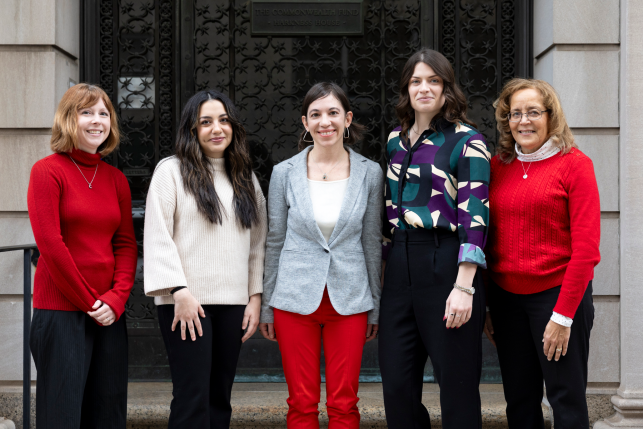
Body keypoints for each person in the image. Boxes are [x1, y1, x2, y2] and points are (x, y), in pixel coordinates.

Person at [258, 82, 383, 428]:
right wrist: (268, 303)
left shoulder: (370, 173)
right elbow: (275, 240)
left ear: (347, 118)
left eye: (332, 113)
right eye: (315, 114)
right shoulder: (284, 173)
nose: (324, 121)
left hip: (350, 300)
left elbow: (371, 242)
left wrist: (374, 304)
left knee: (344, 403)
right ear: (304, 122)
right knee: (301, 402)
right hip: (294, 301)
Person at [378, 48, 490, 429]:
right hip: (400, 264)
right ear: (406, 89)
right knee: (396, 385)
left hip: (447, 263)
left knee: (456, 386)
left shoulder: (467, 141)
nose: (424, 88)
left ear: (447, 88)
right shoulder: (396, 140)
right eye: (416, 81)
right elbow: (391, 207)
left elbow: (476, 216)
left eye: (433, 80)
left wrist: (465, 286)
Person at [143, 90, 267, 428]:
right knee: (191, 397)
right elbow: (158, 235)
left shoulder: (245, 177)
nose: (217, 128)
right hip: (185, 304)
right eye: (206, 122)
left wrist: (254, 298)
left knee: (219, 398)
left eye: (224, 120)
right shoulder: (171, 172)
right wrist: (179, 293)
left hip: (233, 304)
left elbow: (257, 242)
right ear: (192, 129)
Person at [484, 78, 600, 429]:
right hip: (507, 302)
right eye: (515, 113)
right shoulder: (496, 167)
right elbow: (488, 240)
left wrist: (563, 317)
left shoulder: (575, 165)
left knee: (565, 400)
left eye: (533, 112)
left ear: (551, 116)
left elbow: (586, 251)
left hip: (558, 298)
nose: (523, 121)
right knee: (519, 401)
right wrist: (489, 304)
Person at [27, 83, 138, 428]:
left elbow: (125, 245)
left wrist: (116, 299)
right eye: (86, 112)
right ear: (68, 119)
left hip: (108, 314)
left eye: (103, 113)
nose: (96, 121)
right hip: (61, 313)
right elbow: (51, 245)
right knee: (62, 416)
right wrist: (90, 303)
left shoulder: (116, 179)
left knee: (107, 414)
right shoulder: (47, 171)